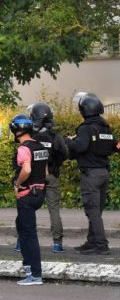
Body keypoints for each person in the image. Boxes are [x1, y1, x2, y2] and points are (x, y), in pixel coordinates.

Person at [66, 93, 120, 255]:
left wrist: (68, 141)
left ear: (84, 111)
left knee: (92, 210)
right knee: (96, 209)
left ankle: (101, 245)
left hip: (91, 174)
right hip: (104, 172)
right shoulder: (106, 127)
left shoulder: (85, 128)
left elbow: (81, 147)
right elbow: (117, 146)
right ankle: (92, 242)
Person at [9, 115, 49, 285]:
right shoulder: (41, 146)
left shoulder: (24, 148)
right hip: (39, 194)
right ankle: (28, 267)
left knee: (28, 235)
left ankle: (34, 274)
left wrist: (18, 184)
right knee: (22, 226)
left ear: (17, 131)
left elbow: (26, 169)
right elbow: (45, 173)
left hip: (26, 195)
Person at [28, 102, 69, 253]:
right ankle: (57, 243)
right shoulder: (55, 136)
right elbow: (64, 154)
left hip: (33, 177)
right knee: (54, 210)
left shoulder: (31, 137)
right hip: (51, 175)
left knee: (28, 208)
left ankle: (21, 241)